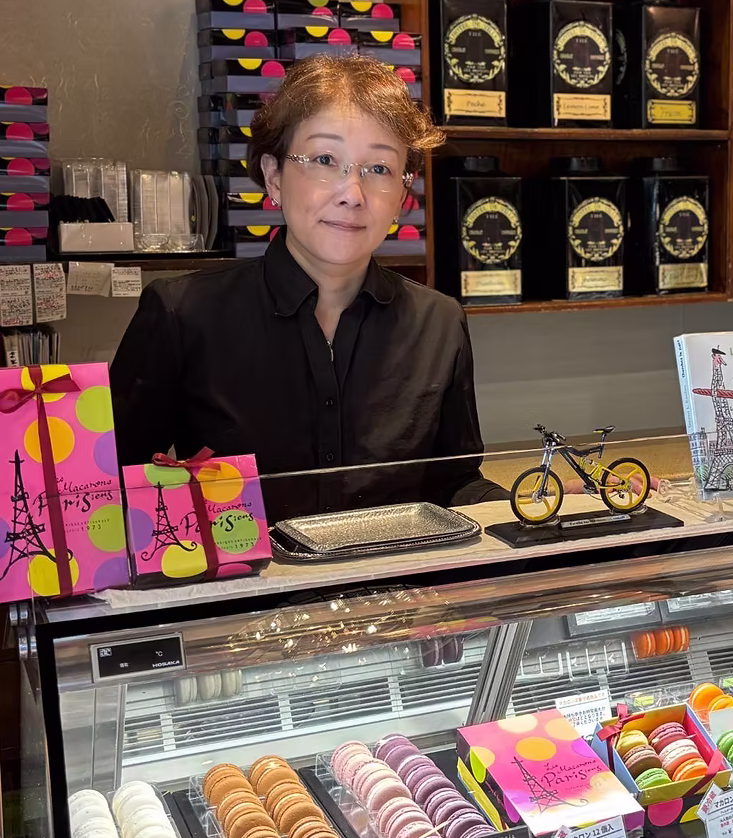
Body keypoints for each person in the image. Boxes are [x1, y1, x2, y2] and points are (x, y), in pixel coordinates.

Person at [111, 54, 500, 519]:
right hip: (247, 570)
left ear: (402, 194)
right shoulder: (183, 313)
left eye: (379, 169)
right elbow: (110, 487)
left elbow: (454, 482)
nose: (352, 194)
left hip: (398, 569)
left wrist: (545, 506)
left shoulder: (439, 321)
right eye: (324, 160)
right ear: (273, 176)